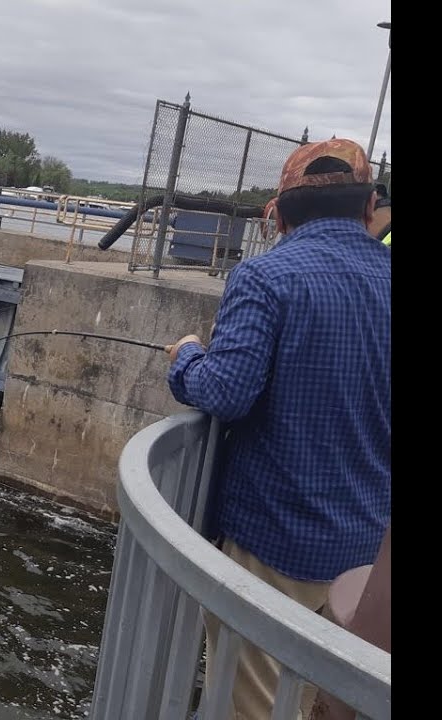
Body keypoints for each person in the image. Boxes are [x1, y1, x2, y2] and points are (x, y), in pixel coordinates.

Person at [164, 138, 391, 720]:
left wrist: (187, 356)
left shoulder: (265, 277)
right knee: (318, 693)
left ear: (280, 216)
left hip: (275, 539)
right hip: (364, 544)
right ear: (369, 209)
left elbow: (225, 393)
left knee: (252, 704)